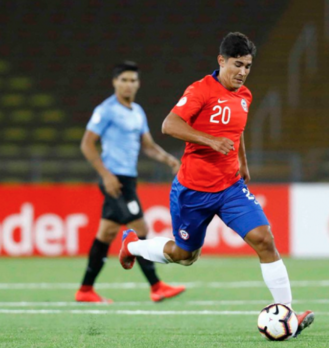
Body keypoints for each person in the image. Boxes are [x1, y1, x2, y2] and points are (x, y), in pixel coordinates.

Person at [119, 32, 314, 336]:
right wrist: (210, 140)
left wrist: (243, 161)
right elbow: (169, 125)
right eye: (238, 64)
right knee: (185, 256)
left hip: (230, 188)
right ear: (221, 61)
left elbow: (236, 131)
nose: (243, 72)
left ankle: (288, 312)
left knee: (265, 240)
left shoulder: (245, 95)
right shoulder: (201, 90)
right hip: (193, 191)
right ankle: (132, 245)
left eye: (248, 66)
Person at [76, 61, 185, 303]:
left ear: (138, 84)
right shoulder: (106, 110)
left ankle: (85, 290)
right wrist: (105, 175)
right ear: (115, 82)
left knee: (105, 234)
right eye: (123, 79)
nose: (128, 84)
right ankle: (157, 286)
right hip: (115, 180)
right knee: (141, 229)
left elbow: (147, 146)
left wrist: (169, 160)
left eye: (132, 80)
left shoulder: (137, 112)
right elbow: (87, 144)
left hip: (128, 179)